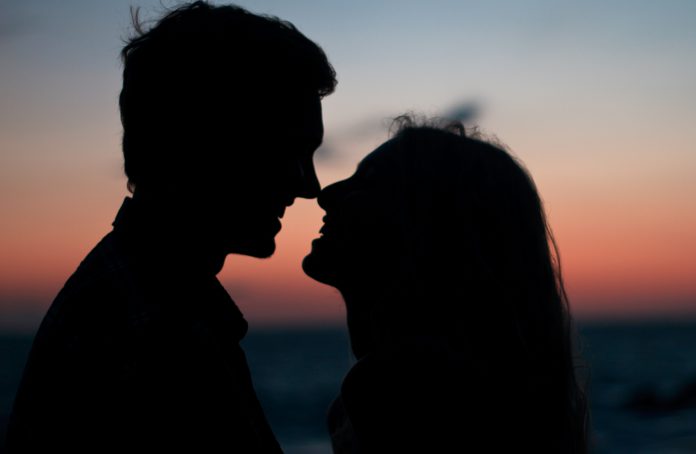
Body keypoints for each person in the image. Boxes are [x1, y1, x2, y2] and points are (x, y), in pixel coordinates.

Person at [6, 2, 336, 452]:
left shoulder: (144, 301)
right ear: (208, 142)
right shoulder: (155, 335)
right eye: (290, 151)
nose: (309, 187)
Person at [303, 117, 589, 453]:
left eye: (368, 182)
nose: (327, 194)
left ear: (432, 228)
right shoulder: (494, 388)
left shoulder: (399, 389)